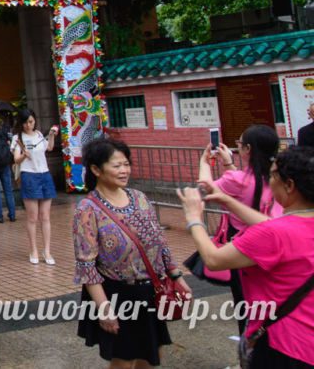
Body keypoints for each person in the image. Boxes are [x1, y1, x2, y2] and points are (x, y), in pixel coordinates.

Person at [178, 146, 314, 368]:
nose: (270, 181)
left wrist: (194, 217)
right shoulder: (288, 228)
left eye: (272, 176)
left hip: (283, 344)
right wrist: (229, 201)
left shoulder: (272, 234)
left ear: (289, 185)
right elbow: (273, 226)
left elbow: (214, 259)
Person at [74, 137, 192, 368]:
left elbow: (160, 241)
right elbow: (86, 266)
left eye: (126, 164)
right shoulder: (87, 210)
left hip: (151, 290)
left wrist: (176, 276)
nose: (124, 170)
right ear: (96, 169)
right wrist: (104, 308)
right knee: (123, 361)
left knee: (151, 357)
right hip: (117, 294)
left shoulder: (139, 198)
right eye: (116, 165)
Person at [197, 123, 283, 331]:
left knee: (245, 301)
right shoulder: (279, 176)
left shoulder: (238, 180)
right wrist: (229, 165)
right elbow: (248, 186)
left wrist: (205, 161)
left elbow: (207, 187)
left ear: (248, 150)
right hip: (276, 241)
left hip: (245, 245)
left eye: (240, 144)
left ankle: (249, 345)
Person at [12, 109, 58, 263]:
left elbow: (49, 148)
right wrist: (25, 154)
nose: (28, 125)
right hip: (29, 176)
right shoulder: (18, 138)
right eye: (25, 122)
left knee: (45, 216)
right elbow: (16, 159)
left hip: (44, 174)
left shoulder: (39, 134)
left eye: (31, 121)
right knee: (33, 217)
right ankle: (33, 250)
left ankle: (47, 251)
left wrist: (51, 135)